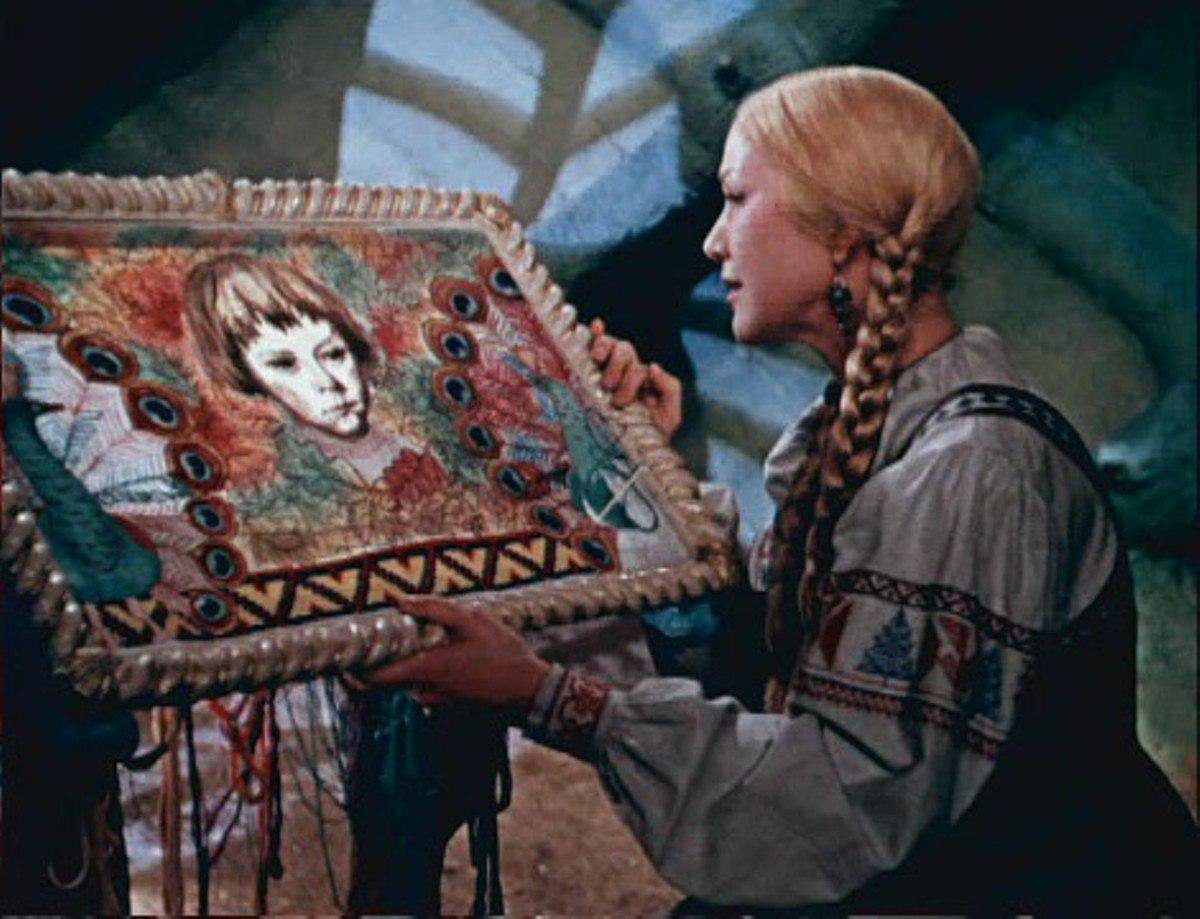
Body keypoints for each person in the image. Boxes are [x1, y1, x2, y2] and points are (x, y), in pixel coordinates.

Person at [365, 67, 1196, 912]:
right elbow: (767, 657)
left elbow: (839, 806)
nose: (713, 242)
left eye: (736, 199)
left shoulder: (972, 471)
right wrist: (634, 465)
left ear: (842, 234)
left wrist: (546, 696)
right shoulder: (880, 425)